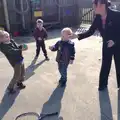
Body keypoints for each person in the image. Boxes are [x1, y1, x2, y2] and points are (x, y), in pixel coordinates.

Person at [72, 0, 120, 91]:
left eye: (94, 5)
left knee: (119, 64)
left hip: (118, 44)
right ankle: (102, 85)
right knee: (105, 64)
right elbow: (90, 31)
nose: (93, 7)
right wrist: (77, 36)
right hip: (106, 44)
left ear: (101, 5)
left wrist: (115, 41)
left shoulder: (117, 15)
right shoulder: (97, 18)